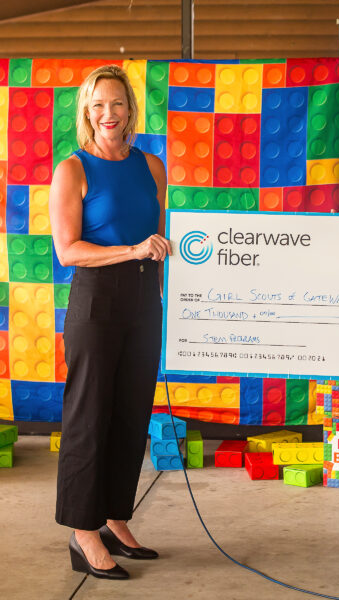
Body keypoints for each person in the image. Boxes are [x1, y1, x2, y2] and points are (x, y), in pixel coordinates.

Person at [49, 65, 171, 580]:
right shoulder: (73, 170)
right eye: (98, 105)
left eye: (117, 104)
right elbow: (68, 250)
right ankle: (82, 532)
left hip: (145, 300)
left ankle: (116, 518)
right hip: (97, 302)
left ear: (130, 111)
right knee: (89, 417)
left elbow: (164, 239)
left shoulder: (152, 165)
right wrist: (132, 250)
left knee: (130, 415)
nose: (108, 115)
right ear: (86, 111)